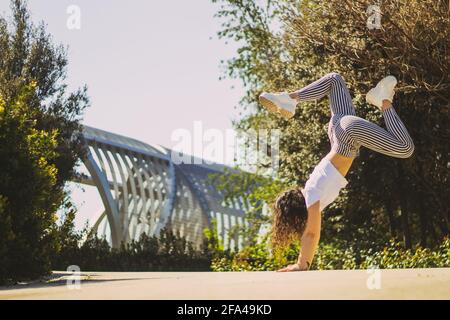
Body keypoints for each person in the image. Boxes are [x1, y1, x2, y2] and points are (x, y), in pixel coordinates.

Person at [259, 73, 414, 272]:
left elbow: (311, 235)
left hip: (347, 135)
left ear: (297, 213)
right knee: (334, 79)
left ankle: (383, 100)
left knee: (404, 148)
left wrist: (301, 264)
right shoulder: (311, 186)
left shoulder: (312, 197)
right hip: (337, 127)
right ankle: (289, 98)